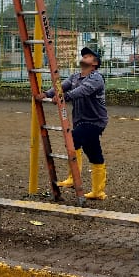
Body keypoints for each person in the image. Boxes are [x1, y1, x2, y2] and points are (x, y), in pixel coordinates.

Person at [36, 46, 108, 199]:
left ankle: (73, 178)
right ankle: (98, 191)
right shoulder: (75, 76)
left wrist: (63, 97)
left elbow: (83, 91)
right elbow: (61, 86)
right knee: (93, 152)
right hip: (80, 120)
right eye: (84, 56)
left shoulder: (96, 78)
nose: (84, 57)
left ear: (95, 63)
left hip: (95, 121)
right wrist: (47, 94)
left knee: (73, 139)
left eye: (88, 56)